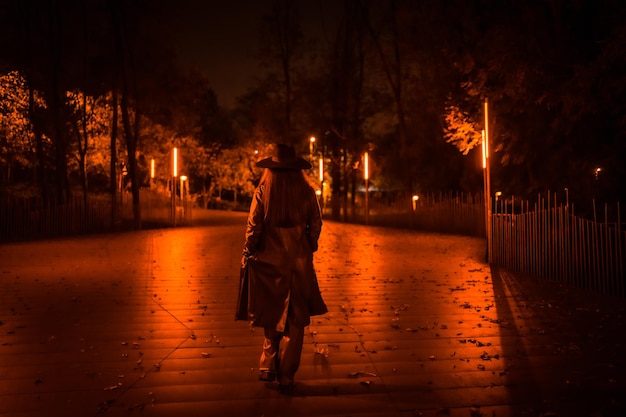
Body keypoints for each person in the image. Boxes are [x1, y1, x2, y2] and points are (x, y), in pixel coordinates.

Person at [236, 143, 327, 394]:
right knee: (296, 320)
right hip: (298, 263)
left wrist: (249, 249)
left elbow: (254, 226)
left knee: (271, 311)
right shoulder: (307, 191)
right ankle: (287, 375)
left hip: (269, 261)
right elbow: (316, 223)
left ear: (272, 168)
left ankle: (268, 363)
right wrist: (309, 244)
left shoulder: (264, 189)